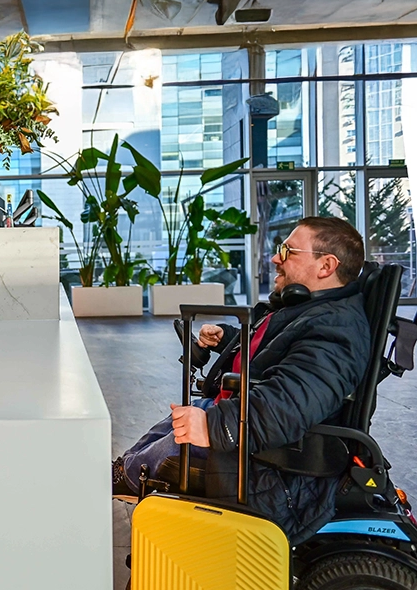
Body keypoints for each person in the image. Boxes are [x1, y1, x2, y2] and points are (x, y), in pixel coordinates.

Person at [113, 216, 372, 544]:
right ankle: (123, 472)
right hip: (253, 423)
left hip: (280, 463)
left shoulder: (337, 329)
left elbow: (291, 403)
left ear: (326, 266)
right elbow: (276, 350)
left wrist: (214, 427)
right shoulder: (309, 309)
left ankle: (125, 479)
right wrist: (228, 339)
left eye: (287, 251)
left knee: (178, 440)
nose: (276, 258)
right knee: (177, 420)